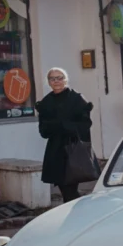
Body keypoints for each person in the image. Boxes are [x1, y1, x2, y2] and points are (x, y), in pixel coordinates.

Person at [37, 67, 93, 203]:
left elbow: (85, 125)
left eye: (60, 78)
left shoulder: (77, 99)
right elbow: (43, 131)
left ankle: (78, 216)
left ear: (66, 80)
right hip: (56, 150)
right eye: (52, 78)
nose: (56, 81)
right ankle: (79, 214)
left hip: (73, 149)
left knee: (70, 190)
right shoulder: (45, 103)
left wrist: (64, 125)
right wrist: (56, 126)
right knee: (65, 189)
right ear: (48, 82)